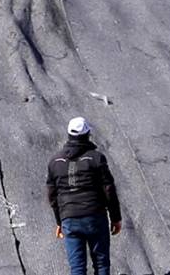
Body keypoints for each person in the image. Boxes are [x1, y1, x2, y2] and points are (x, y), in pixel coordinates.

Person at [47, 117, 122, 275]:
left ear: (69, 135)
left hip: (69, 219)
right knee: (101, 265)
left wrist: (60, 221)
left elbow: (52, 196)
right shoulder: (96, 158)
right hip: (95, 217)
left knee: (77, 269)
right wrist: (115, 218)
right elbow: (108, 189)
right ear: (87, 134)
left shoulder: (55, 161)